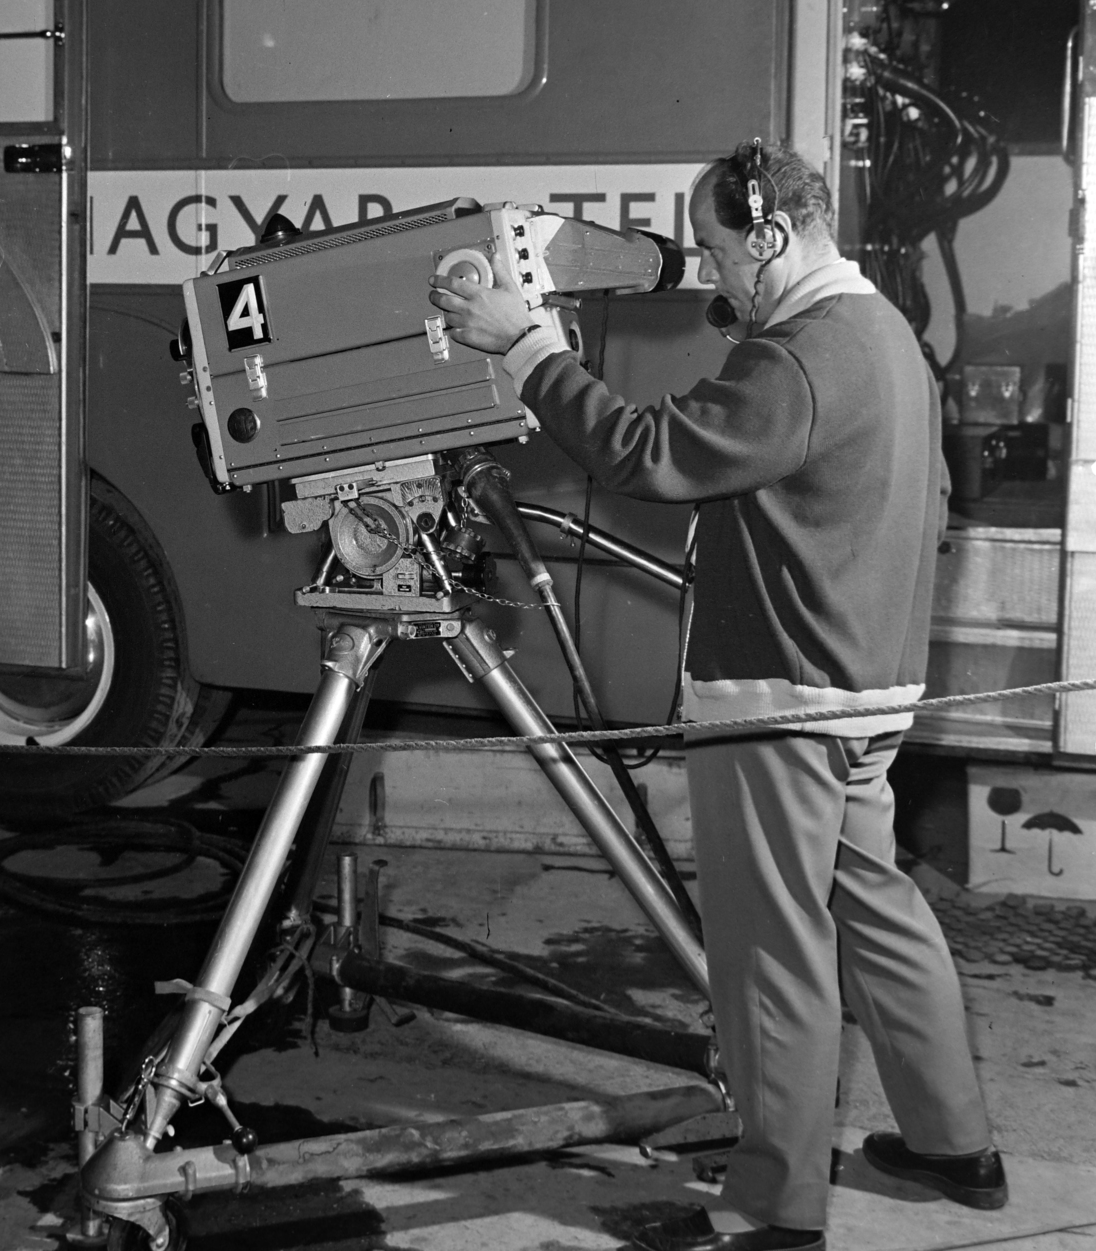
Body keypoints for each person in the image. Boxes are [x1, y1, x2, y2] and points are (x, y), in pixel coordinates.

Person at [429, 142, 1005, 1251]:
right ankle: (953, 1144)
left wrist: (531, 346)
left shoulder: (799, 356)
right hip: (867, 695)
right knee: (876, 910)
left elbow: (650, 454)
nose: (712, 276)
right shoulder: (889, 337)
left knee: (772, 957)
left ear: (774, 233)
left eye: (719, 248)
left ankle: (773, 1212)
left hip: (780, 699)